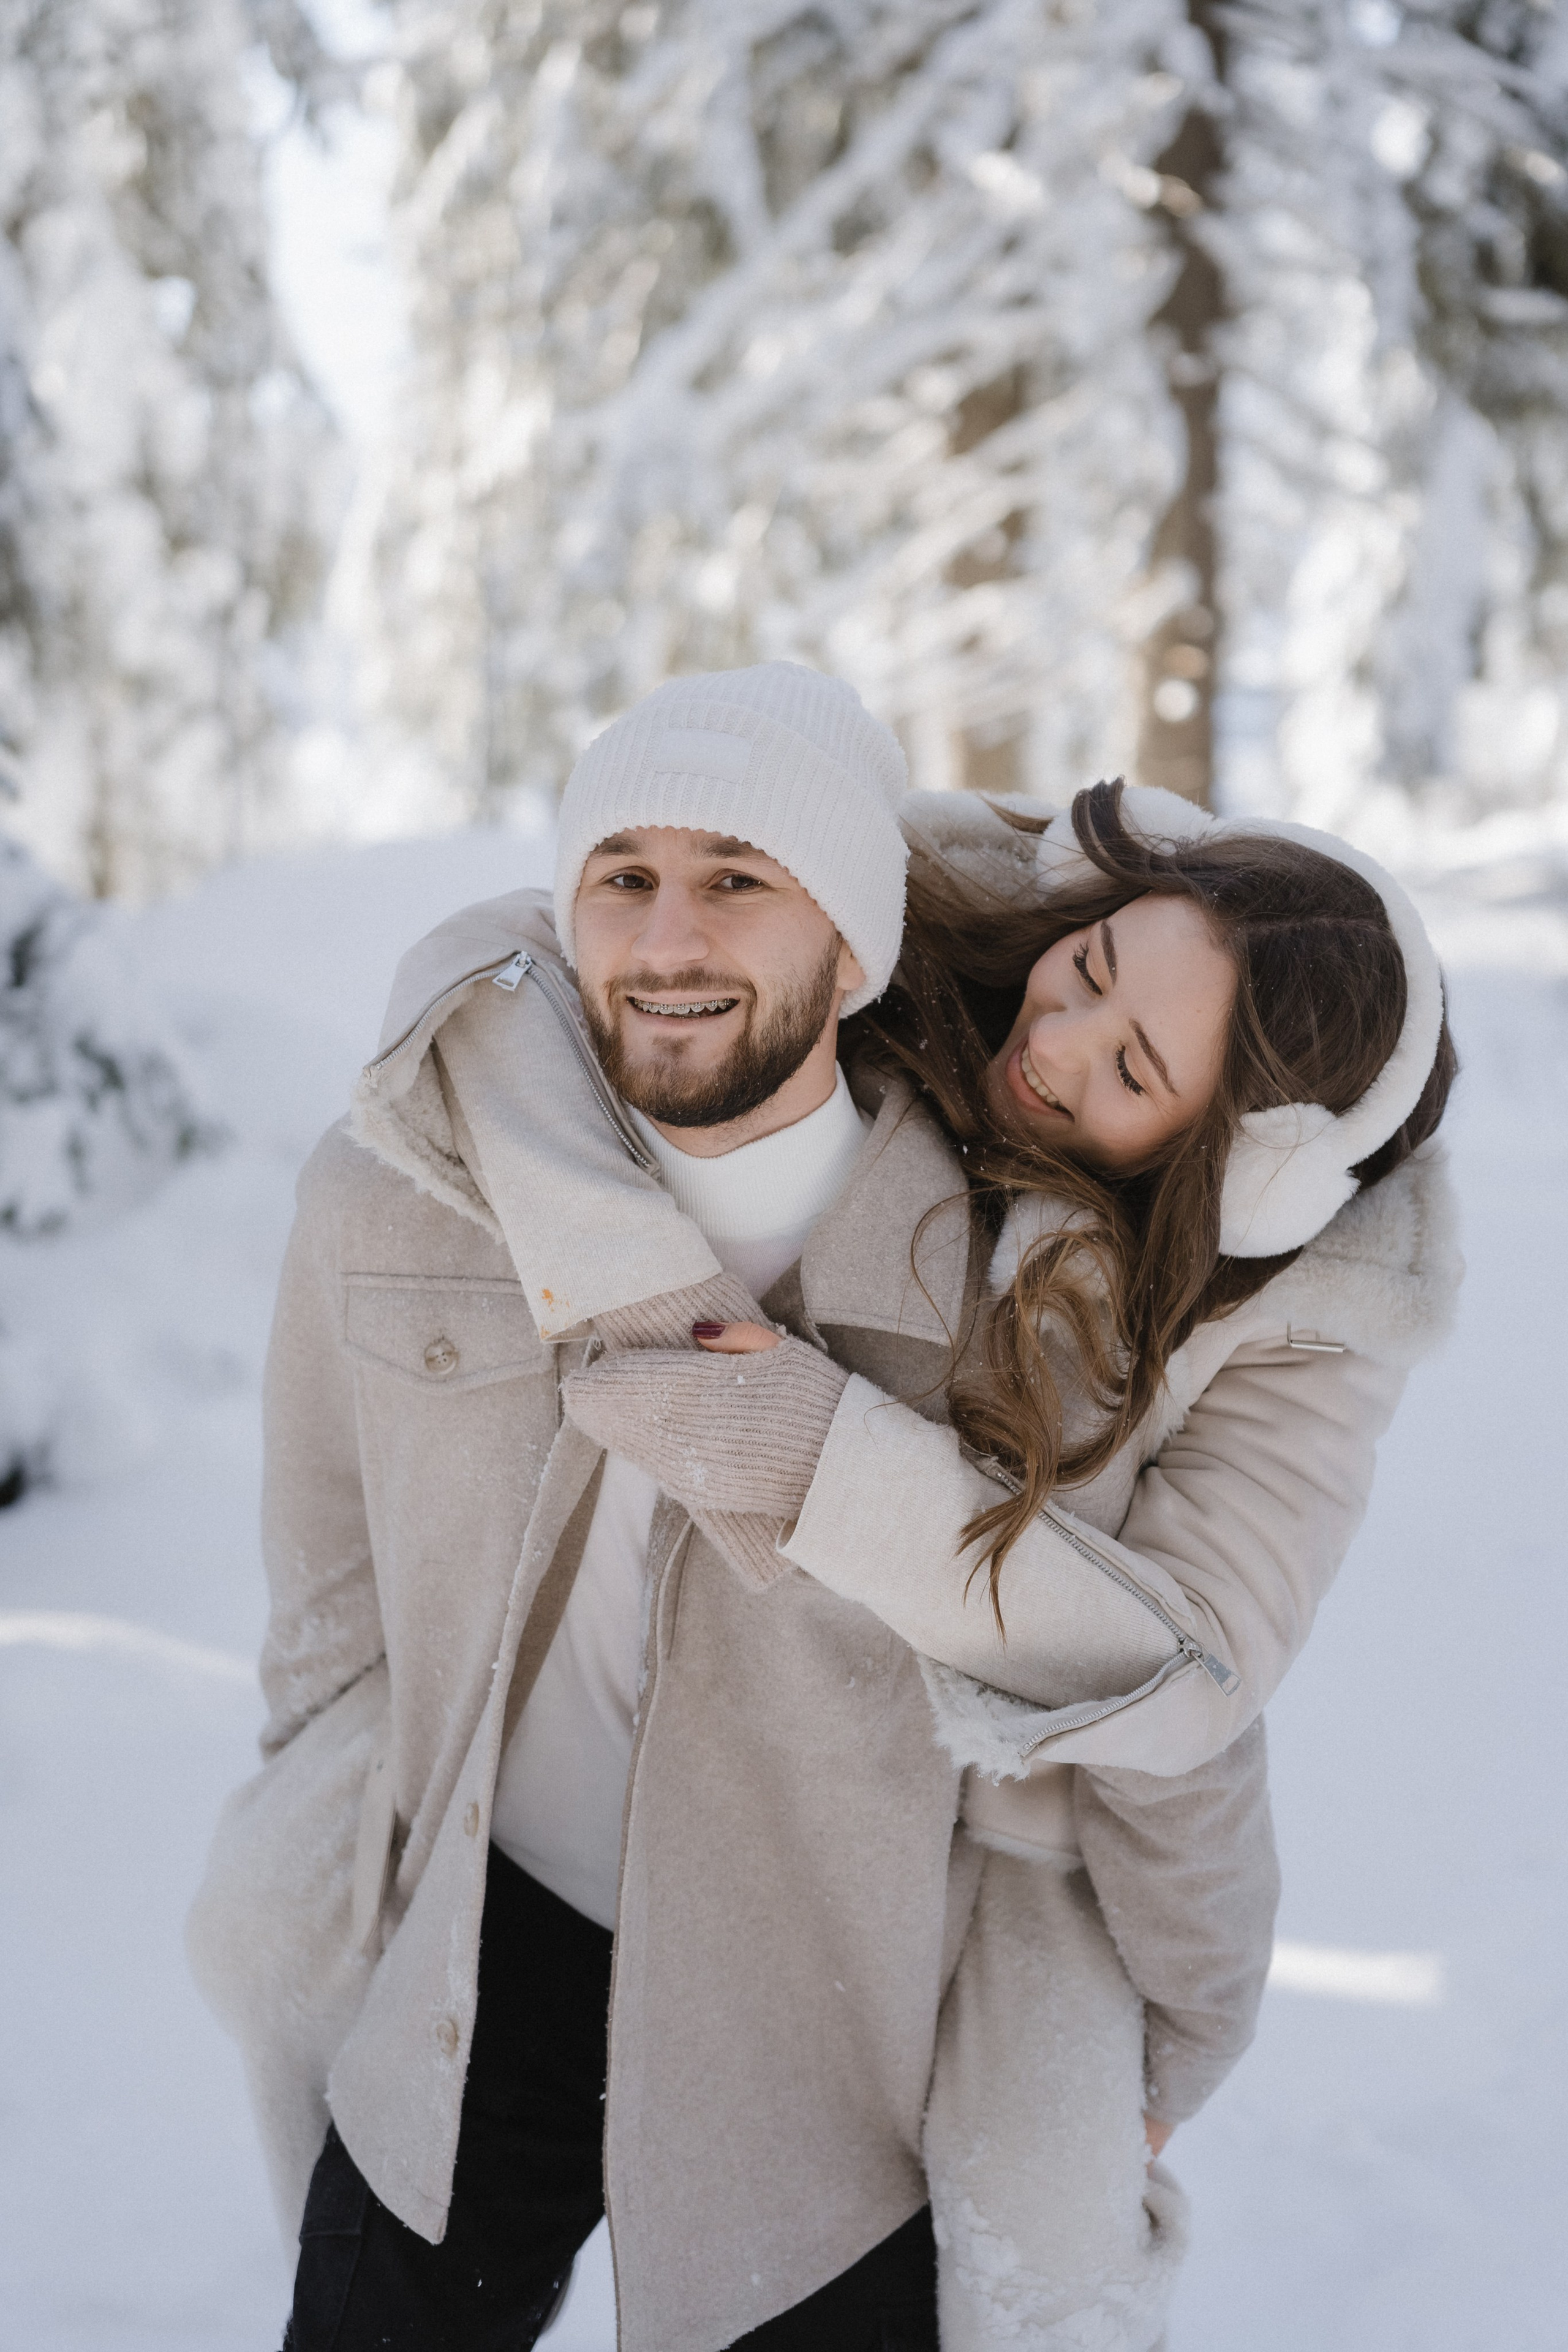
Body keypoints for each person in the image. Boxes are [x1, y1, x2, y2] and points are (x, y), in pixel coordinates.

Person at [185, 666, 1456, 2352]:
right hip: (507, 1925)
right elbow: (592, 935)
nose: (1050, 1045)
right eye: (1078, 974)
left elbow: (1178, 1689)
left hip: (829, 1996)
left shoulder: (1130, 1339)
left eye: (1133, 1059)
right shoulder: (813, 1018)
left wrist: (1185, 2016)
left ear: (1237, 1167)